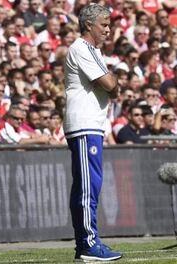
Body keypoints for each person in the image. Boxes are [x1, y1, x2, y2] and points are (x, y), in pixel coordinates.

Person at [63, 4, 122, 262]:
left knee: (89, 186)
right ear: (88, 25)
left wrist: (112, 85)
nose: (108, 30)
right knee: (88, 188)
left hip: (91, 125)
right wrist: (112, 83)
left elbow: (113, 88)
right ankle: (88, 244)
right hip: (85, 124)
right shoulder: (81, 48)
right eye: (104, 24)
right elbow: (111, 84)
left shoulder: (92, 50)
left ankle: (85, 243)